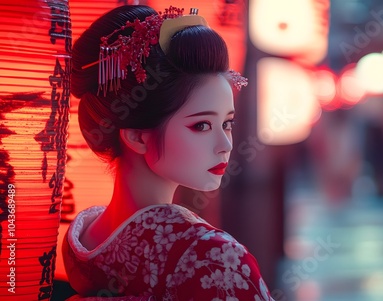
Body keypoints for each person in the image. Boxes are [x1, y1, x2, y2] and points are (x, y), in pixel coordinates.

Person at [62, 5, 273, 301]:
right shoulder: (211, 254)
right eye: (201, 125)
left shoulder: (82, 242)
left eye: (227, 123)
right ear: (136, 136)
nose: (225, 145)